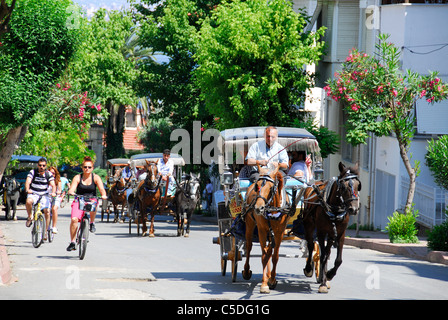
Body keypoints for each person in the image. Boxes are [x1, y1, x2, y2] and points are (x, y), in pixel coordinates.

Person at [66, 156, 107, 251]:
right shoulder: (78, 177)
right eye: (85, 167)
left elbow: (101, 189)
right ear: (82, 168)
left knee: (94, 204)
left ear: (92, 168)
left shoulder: (96, 177)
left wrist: (104, 195)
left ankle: (91, 222)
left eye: (89, 167)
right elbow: (72, 188)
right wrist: (71, 192)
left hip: (91, 199)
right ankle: (72, 242)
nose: (87, 169)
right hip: (79, 199)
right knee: (74, 219)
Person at [24, 158, 56, 232]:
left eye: (43, 165)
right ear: (37, 165)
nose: (42, 167)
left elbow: (53, 185)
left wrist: (54, 192)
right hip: (33, 193)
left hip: (44, 195)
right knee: (28, 201)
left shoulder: (48, 174)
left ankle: (45, 231)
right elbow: (28, 181)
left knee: (47, 211)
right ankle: (30, 216)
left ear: (46, 166)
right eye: (40, 165)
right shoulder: (33, 172)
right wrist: (27, 189)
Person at [48, 166, 62, 234]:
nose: (52, 174)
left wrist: (58, 192)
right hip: (47, 197)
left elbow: (59, 190)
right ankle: (46, 226)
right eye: (50, 173)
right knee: (46, 210)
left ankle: (54, 227)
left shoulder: (58, 181)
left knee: (54, 209)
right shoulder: (46, 179)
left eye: (53, 173)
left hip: (55, 197)